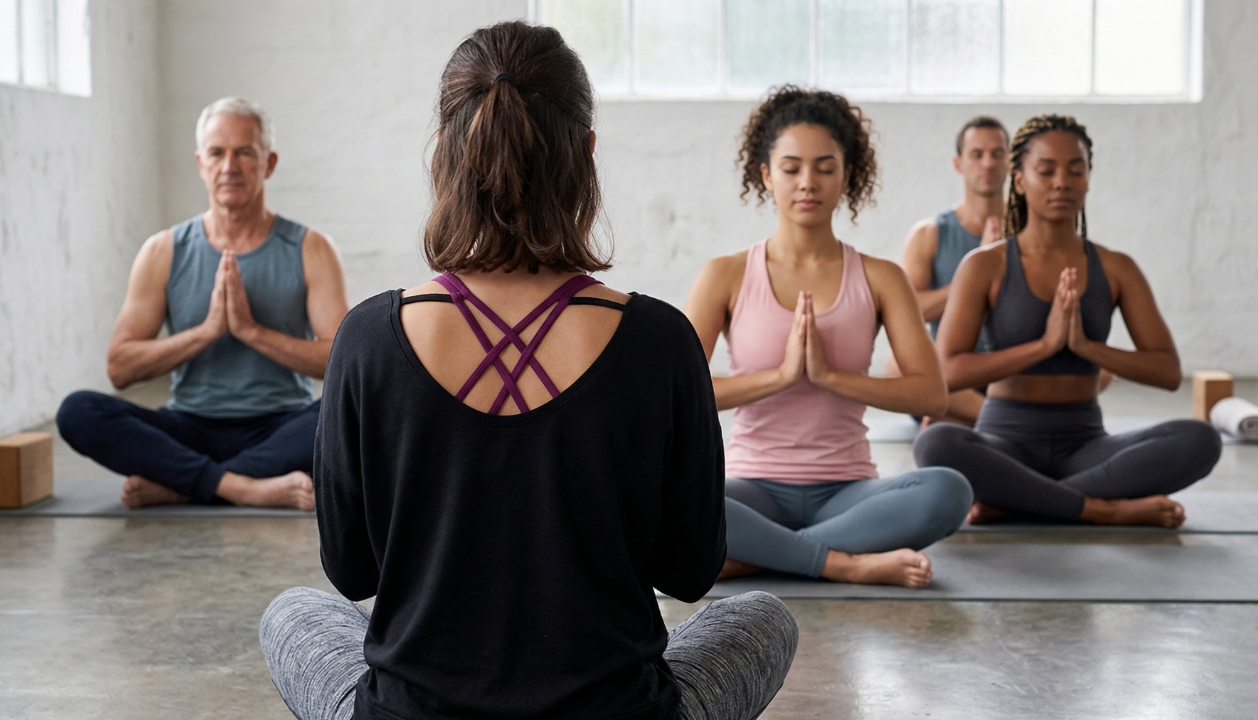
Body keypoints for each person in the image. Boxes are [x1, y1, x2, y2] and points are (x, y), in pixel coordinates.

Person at [259, 22, 797, 720]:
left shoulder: (366, 338)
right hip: (615, 710)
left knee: (292, 612)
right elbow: (690, 572)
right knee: (764, 616)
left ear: (443, 153)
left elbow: (351, 570)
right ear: (588, 153)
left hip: (414, 711)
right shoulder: (660, 340)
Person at [683, 86, 973, 590]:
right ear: (766, 175)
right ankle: (844, 563)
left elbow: (931, 395)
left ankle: (758, 555)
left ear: (847, 175)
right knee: (663, 493)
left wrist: (830, 377)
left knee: (950, 490)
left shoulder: (881, 278)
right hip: (750, 489)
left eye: (824, 167)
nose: (807, 182)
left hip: (849, 493)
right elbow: (679, 395)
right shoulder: (725, 274)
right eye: (791, 167)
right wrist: (780, 377)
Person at [913, 115, 1222, 528]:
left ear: (1088, 179)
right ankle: (1100, 508)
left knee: (1201, 439)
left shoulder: (1116, 267)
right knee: (935, 443)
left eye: (1075, 170)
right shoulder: (985, 265)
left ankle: (1018, 501)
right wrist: (1043, 346)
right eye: (1046, 171)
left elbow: (1167, 371)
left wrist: (1086, 347)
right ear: (1019, 181)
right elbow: (948, 372)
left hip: (1086, 445)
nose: (1062, 182)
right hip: (1005, 442)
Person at [55, 97, 348, 510]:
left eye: (244, 152)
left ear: (269, 163)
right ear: (200, 163)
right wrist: (207, 332)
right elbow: (120, 367)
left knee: (357, 409)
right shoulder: (163, 251)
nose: (229, 167)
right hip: (189, 427)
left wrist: (251, 332)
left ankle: (185, 484)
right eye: (216, 153)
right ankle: (245, 487)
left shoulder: (311, 248)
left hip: (282, 425)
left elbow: (341, 362)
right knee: (77, 411)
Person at [896, 116, 1008, 426]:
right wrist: (976, 268)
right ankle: (997, 421)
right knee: (896, 364)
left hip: (1011, 370)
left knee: (1097, 367)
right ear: (959, 163)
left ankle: (962, 419)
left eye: (997, 153)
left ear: (1010, 161)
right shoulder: (929, 233)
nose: (988, 163)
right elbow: (911, 312)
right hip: (954, 375)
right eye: (977, 154)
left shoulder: (1031, 232)